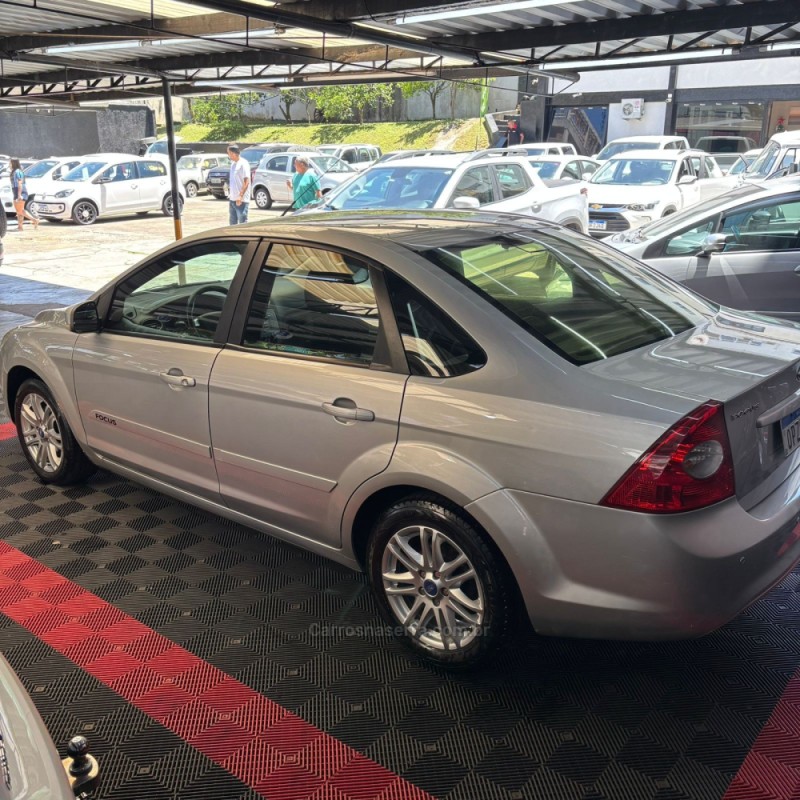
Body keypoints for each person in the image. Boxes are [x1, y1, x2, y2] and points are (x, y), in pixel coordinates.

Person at [9, 159, 39, 232]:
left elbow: (20, 183)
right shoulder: (14, 171)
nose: (9, 165)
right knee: (19, 210)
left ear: (13, 163)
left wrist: (19, 195)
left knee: (20, 211)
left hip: (20, 191)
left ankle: (35, 220)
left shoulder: (17, 171)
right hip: (16, 191)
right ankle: (20, 227)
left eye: (10, 163)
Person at [226, 144, 250, 225]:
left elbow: (247, 181)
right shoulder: (233, 164)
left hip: (241, 201)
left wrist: (240, 195)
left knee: (242, 225)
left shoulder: (243, 163)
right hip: (232, 200)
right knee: (232, 225)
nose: (228, 155)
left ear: (233, 153)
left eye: (228, 153)